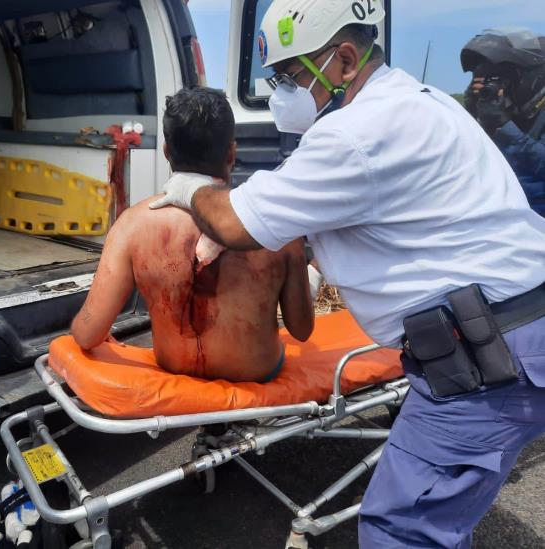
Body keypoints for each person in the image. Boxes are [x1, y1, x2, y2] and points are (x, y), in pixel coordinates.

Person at [150, 1, 545, 547]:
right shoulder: (424, 103)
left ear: (343, 59)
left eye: (289, 76)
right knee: (440, 521)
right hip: (516, 331)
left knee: (402, 531)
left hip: (489, 358)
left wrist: (191, 190)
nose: (280, 94)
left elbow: (237, 221)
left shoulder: (357, 134)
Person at [71, 87, 314, 382]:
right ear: (232, 152)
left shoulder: (131, 225)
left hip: (174, 369)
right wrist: (311, 272)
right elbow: (301, 331)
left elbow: (87, 333)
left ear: (166, 151)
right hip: (258, 374)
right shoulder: (273, 223)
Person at [462, 27, 545, 217]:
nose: (496, 87)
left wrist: (503, 127)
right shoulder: (503, 111)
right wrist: (470, 114)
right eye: (487, 80)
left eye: (500, 79)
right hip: (499, 221)